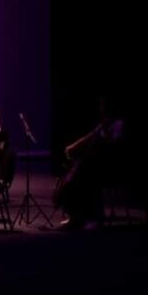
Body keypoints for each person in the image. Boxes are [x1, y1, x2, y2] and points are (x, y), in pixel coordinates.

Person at [54, 96, 126, 230]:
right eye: (101, 105)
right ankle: (75, 217)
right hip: (98, 166)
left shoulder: (118, 124)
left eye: (103, 105)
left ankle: (95, 217)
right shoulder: (103, 124)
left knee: (87, 179)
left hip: (111, 168)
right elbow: (88, 137)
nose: (101, 108)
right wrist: (73, 147)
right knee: (78, 178)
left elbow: (116, 147)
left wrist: (104, 137)